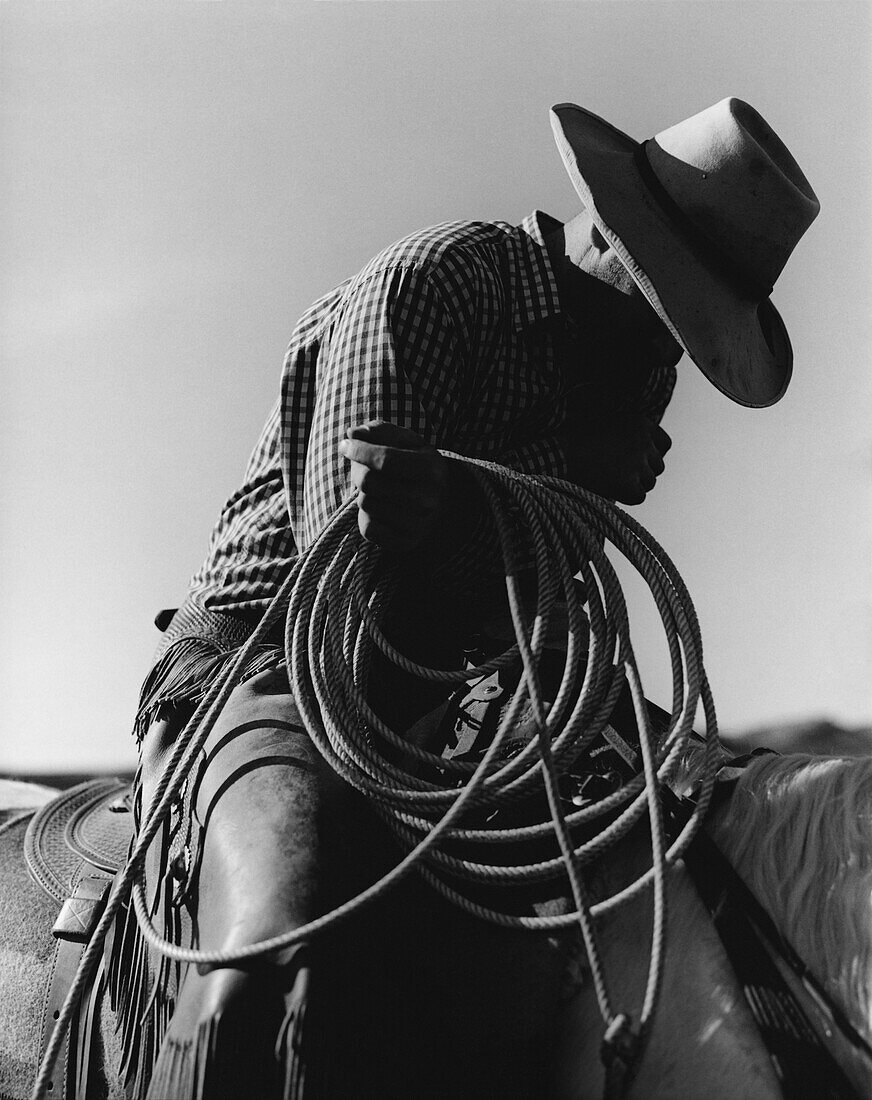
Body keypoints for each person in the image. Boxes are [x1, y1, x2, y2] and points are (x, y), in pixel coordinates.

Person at [117, 97, 819, 1099]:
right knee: (280, 929)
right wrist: (562, 468)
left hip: (472, 697)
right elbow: (353, 630)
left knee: (695, 864)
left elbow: (546, 588)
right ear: (611, 245)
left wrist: (555, 504)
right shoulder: (436, 286)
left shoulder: (627, 369)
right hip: (275, 672)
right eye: (672, 315)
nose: (673, 360)